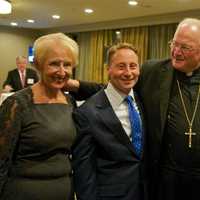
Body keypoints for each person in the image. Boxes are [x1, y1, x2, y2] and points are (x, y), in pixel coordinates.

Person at [67, 18, 200, 200]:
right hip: (161, 182)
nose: (176, 52)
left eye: (185, 47)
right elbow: (117, 89)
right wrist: (76, 85)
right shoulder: (154, 71)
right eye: (174, 44)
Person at [0, 33, 78, 200]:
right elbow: (1, 161)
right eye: (54, 64)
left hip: (64, 192)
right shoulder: (17, 104)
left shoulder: (70, 101)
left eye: (68, 65)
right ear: (38, 65)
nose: (62, 71)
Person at [72, 43, 147, 200]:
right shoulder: (87, 112)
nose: (128, 73)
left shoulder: (143, 100)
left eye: (133, 66)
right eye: (121, 66)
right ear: (108, 69)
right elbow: (84, 172)